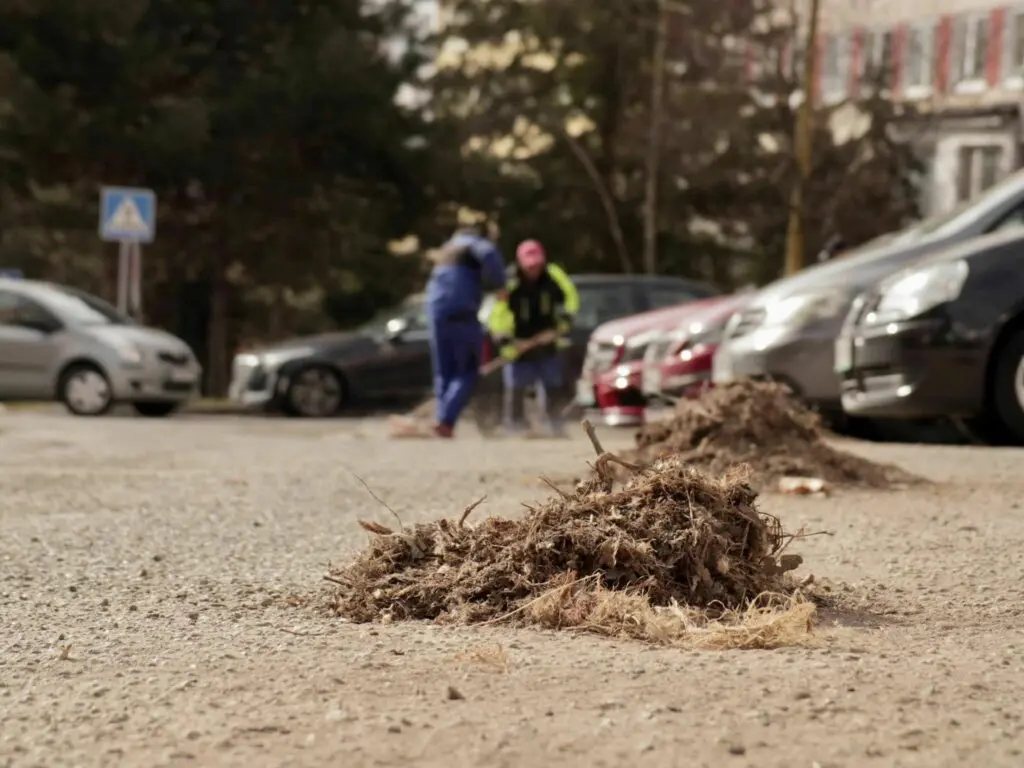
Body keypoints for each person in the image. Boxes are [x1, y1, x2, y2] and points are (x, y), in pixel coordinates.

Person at [487, 239, 579, 437]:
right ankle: (515, 426)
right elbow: (497, 312)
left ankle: (554, 425)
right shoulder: (509, 281)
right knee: (516, 386)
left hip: (548, 341)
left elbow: (570, 298)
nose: (534, 270)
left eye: (537, 265)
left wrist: (564, 321)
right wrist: (503, 337)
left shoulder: (554, 275)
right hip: (518, 344)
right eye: (529, 266)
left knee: (552, 385)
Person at [425, 225, 507, 438]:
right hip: (462, 313)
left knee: (444, 372)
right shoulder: (472, 243)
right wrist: (501, 286)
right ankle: (445, 420)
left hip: (436, 314)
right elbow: (488, 253)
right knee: (468, 370)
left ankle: (441, 419)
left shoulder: (446, 250)